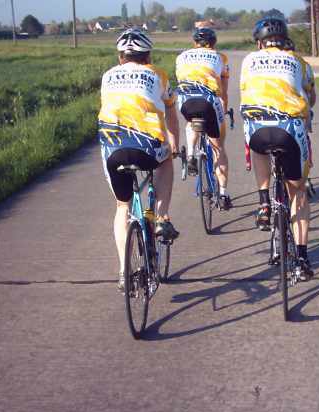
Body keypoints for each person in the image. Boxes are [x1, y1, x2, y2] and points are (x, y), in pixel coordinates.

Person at [98, 28, 180, 291]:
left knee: (122, 206)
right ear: (148, 56)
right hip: (146, 146)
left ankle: (124, 271)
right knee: (166, 159)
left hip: (112, 149)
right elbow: (170, 110)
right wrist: (174, 143)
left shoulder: (108, 75)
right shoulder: (158, 74)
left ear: (121, 57)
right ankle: (161, 217)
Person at [239, 16, 317, 279]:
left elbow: (245, 92)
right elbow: (312, 98)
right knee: (298, 192)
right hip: (289, 131)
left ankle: (263, 203)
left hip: (258, 131)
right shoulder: (299, 62)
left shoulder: (249, 60)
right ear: (285, 40)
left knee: (257, 143)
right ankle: (303, 260)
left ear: (260, 43)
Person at [175, 27, 233, 211]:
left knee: (191, 122)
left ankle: (191, 154)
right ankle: (223, 194)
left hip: (185, 100)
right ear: (213, 44)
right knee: (218, 147)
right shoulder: (220, 57)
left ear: (194, 44)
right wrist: (222, 110)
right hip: (208, 100)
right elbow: (223, 90)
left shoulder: (181, 56)